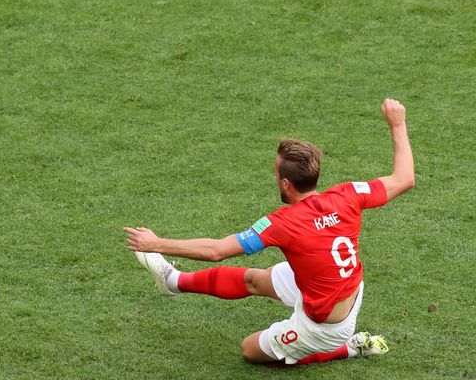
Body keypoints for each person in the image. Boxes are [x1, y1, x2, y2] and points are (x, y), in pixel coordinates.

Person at [125, 99, 414, 366]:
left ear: (286, 183)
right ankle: (172, 281)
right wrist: (397, 124)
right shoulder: (348, 194)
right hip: (335, 285)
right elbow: (404, 179)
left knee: (249, 350)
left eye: (275, 173)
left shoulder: (283, 223)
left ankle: (350, 347)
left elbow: (217, 251)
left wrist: (156, 243)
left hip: (325, 325)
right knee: (253, 280)